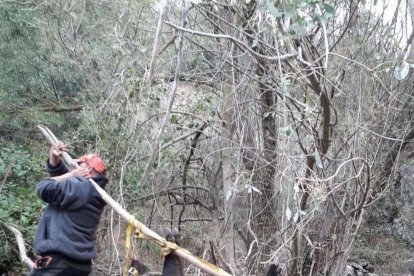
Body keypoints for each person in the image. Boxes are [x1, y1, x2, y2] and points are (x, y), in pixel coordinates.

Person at [29, 142, 108, 276]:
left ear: (87, 170)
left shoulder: (82, 186)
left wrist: (72, 175)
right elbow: (61, 175)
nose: (74, 168)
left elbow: (44, 187)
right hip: (76, 264)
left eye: (78, 165)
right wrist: (54, 156)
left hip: (60, 262)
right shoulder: (93, 191)